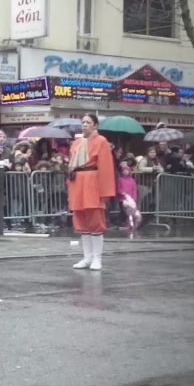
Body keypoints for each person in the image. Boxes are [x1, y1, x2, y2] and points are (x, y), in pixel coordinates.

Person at [67, 113, 115, 271]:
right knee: (81, 222)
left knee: (95, 222)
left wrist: (105, 191)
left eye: (88, 122)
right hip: (77, 181)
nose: (85, 125)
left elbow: (106, 167)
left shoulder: (101, 141)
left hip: (92, 182)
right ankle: (87, 257)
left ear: (95, 125)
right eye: (83, 122)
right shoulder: (76, 142)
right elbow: (71, 164)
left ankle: (97, 258)